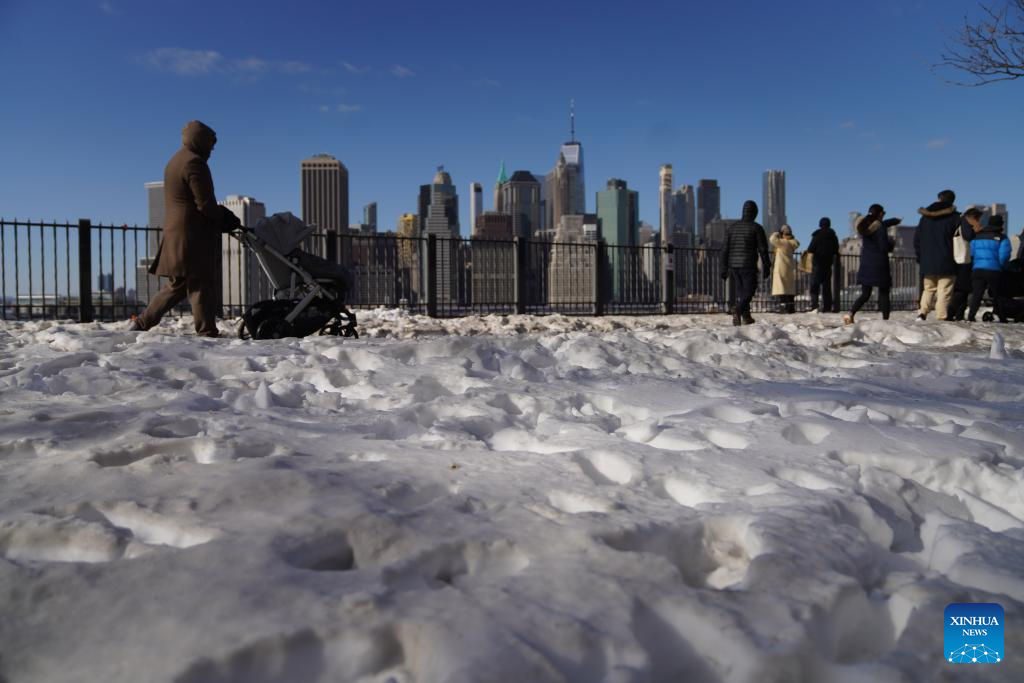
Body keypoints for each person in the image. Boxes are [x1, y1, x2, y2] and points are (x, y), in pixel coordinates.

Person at [130, 120, 240, 336]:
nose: (212, 151)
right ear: (201, 141)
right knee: (201, 283)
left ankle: (142, 323)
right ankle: (207, 332)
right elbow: (205, 203)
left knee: (179, 284)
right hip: (192, 235)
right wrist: (226, 218)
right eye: (210, 145)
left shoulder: (175, 160)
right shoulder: (194, 163)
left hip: (178, 232)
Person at [844, 204, 901, 325]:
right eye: (883, 213)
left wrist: (893, 221)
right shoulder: (880, 228)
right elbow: (883, 247)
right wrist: (891, 243)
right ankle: (886, 321)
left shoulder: (865, 226)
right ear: (880, 214)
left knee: (865, 294)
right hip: (879, 264)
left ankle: (850, 314)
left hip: (866, 264)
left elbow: (882, 224)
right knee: (884, 293)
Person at [721, 200, 771, 326]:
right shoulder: (757, 228)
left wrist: (723, 267)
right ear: (755, 213)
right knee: (750, 290)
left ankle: (746, 317)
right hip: (748, 264)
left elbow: (725, 249)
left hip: (733, 266)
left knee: (742, 291)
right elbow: (763, 249)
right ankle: (738, 309)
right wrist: (767, 265)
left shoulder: (732, 228)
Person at [913, 189, 961, 321]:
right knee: (944, 290)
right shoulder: (955, 217)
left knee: (928, 289)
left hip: (927, 260)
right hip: (947, 260)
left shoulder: (924, 218)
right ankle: (941, 316)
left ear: (939, 198)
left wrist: (921, 257)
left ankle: (922, 313)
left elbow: (916, 240)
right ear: (952, 201)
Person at [966, 214, 1012, 322]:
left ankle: (971, 316)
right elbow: (1004, 255)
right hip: (994, 271)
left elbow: (971, 253)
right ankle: (1002, 317)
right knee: (998, 295)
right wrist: (1000, 266)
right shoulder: (1002, 238)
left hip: (978, 270)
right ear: (1001, 224)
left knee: (977, 294)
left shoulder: (977, 236)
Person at [948, 207, 981, 321]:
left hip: (957, 259)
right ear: (972, 217)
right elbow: (968, 236)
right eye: (977, 219)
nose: (978, 221)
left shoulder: (957, 222)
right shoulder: (965, 223)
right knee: (962, 289)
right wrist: (976, 230)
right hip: (962, 261)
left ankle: (959, 314)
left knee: (963, 289)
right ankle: (951, 312)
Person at [805, 217, 839, 312]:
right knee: (826, 287)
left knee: (814, 286)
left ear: (820, 225)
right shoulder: (833, 236)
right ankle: (827, 307)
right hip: (828, 265)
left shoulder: (817, 235)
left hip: (817, 264)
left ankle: (814, 306)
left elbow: (810, 249)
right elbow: (836, 249)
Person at [769, 225, 800, 313]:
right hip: (789, 268)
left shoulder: (783, 243)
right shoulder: (792, 243)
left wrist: (777, 233)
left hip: (781, 267)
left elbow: (772, 239)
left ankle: (783, 307)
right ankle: (791, 307)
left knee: (781, 288)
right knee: (789, 288)